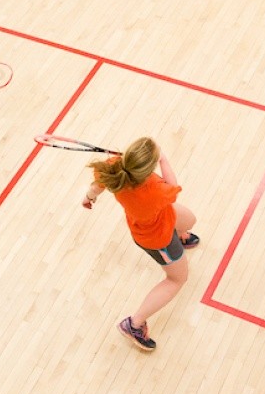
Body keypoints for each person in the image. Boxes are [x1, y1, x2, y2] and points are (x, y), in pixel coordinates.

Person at [82, 137, 199, 351]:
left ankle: (181, 233)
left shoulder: (114, 168)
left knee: (189, 219)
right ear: (147, 171)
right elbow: (174, 188)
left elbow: (97, 185)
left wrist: (89, 197)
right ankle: (134, 324)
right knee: (177, 279)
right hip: (157, 239)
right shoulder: (154, 189)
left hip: (161, 216)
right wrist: (163, 159)